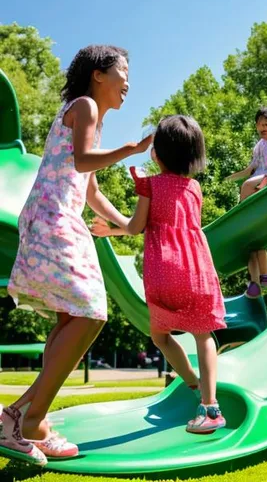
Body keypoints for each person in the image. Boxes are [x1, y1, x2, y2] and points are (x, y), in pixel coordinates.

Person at [0, 45, 151, 465]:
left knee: (73, 318)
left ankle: (23, 419)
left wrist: (127, 224)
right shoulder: (83, 105)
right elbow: (85, 159)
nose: (128, 83)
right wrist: (132, 149)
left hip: (61, 217)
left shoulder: (92, 119)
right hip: (54, 219)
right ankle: (27, 421)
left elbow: (91, 189)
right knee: (90, 311)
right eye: (124, 72)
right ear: (99, 74)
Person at [92, 115, 227, 434]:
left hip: (165, 270)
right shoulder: (194, 188)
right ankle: (210, 407)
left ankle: (192, 384)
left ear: (156, 153)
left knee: (160, 336)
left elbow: (138, 226)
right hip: (197, 270)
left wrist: (110, 231)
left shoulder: (150, 184)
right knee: (203, 335)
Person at [226, 106, 267, 299]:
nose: (262, 127)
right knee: (254, 244)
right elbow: (250, 169)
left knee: (247, 186)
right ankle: (260, 279)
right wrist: (230, 178)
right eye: (259, 124)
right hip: (260, 177)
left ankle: (243, 213)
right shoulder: (259, 145)